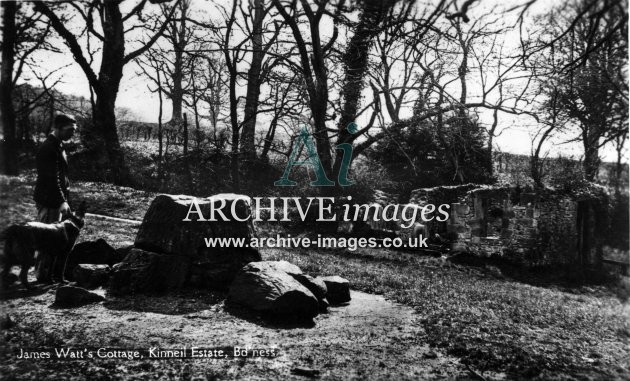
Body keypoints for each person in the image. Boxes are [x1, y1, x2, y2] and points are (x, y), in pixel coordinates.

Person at [33, 113, 77, 283]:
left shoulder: (58, 146)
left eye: (74, 130)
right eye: (69, 130)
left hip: (55, 199)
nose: (72, 133)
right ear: (58, 128)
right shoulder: (48, 148)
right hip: (49, 199)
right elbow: (51, 179)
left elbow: (61, 177)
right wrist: (62, 201)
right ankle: (42, 275)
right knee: (46, 238)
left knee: (51, 238)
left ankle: (45, 274)